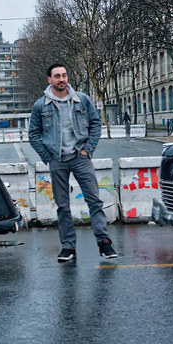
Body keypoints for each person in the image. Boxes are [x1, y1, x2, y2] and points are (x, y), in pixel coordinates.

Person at [28, 63, 116, 262]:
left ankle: (104, 242)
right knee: (62, 205)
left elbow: (95, 124)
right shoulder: (41, 105)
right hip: (57, 159)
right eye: (57, 76)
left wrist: (88, 150)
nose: (62, 79)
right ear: (49, 80)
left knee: (94, 200)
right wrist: (47, 156)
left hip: (80, 157)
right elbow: (33, 134)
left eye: (64, 75)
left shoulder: (81, 100)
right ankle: (68, 247)